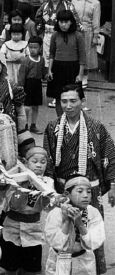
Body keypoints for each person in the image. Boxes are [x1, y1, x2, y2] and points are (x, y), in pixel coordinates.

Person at [43, 84, 115, 275]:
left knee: (90, 229)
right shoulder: (53, 128)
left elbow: (109, 155)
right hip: (63, 190)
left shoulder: (96, 127)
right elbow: (48, 159)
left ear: (83, 102)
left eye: (73, 101)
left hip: (89, 189)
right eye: (64, 101)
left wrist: (113, 184)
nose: (68, 106)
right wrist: (49, 187)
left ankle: (93, 270)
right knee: (63, 230)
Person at [0, 146, 53, 275]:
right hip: (11, 228)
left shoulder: (47, 182)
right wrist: (22, 186)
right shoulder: (15, 178)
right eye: (34, 161)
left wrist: (47, 194)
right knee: (8, 268)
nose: (38, 165)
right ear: (26, 162)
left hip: (33, 230)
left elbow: (48, 207)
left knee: (30, 270)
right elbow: (10, 202)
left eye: (43, 162)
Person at [44, 175, 105, 275]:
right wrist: (67, 221)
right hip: (58, 261)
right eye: (80, 191)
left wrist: (80, 224)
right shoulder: (56, 213)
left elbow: (95, 242)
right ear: (67, 194)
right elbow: (55, 242)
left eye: (88, 192)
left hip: (84, 262)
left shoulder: (93, 213)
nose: (85, 195)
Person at [46, 10, 85, 117]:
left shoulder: (78, 36)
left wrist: (80, 74)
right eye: (61, 22)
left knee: (74, 96)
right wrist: (49, 70)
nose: (63, 25)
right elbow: (52, 54)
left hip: (73, 68)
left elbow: (82, 57)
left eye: (66, 22)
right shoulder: (55, 35)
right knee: (59, 97)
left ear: (71, 22)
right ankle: (60, 120)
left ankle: (73, 119)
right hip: (57, 68)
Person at [71, 0, 101, 89]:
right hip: (75, 30)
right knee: (75, 52)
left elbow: (96, 20)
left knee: (87, 54)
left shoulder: (95, 3)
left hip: (88, 31)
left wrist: (95, 35)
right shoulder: (74, 0)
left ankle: (84, 77)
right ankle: (76, 75)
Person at [18, 36, 46, 135]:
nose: (33, 50)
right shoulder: (26, 60)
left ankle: (33, 125)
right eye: (31, 47)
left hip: (37, 84)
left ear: (40, 48)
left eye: (35, 47)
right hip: (28, 84)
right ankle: (24, 125)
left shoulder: (41, 59)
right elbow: (22, 74)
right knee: (26, 107)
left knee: (35, 106)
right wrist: (20, 86)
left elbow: (43, 72)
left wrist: (46, 76)